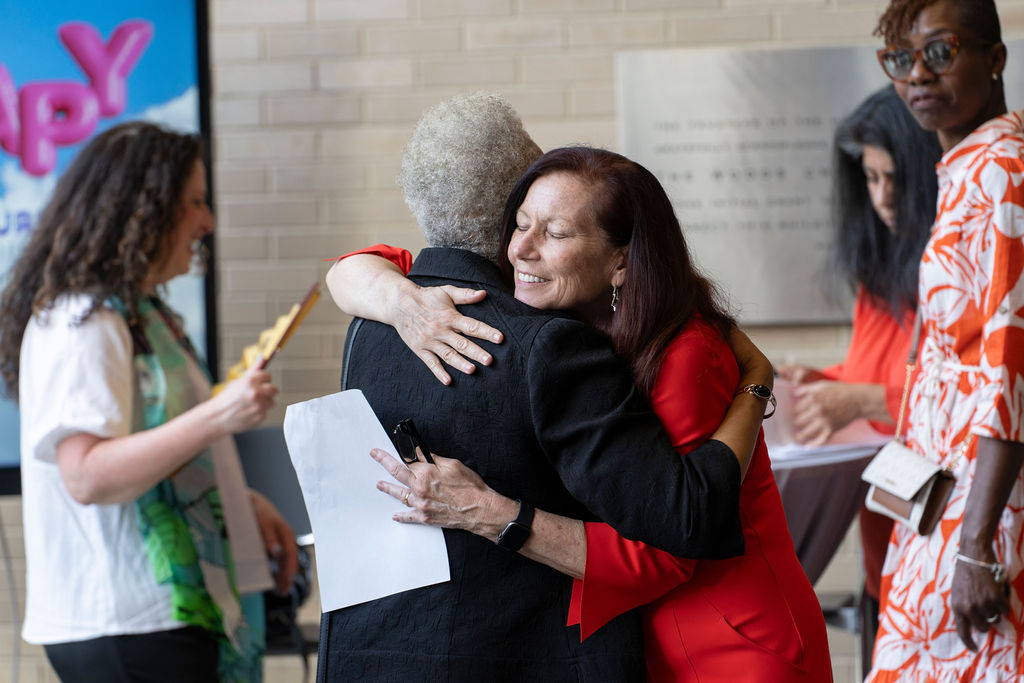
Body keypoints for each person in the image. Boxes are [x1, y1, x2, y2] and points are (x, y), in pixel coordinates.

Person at [318, 93, 774, 681]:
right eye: (526, 221)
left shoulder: (370, 324)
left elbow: (350, 266)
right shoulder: (548, 344)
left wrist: (393, 295)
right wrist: (757, 383)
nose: (526, 245)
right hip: (518, 656)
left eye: (554, 229)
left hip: (374, 654)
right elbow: (684, 515)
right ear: (513, 204)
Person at [0, 122, 298, 683]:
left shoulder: (139, 314)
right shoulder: (84, 321)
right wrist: (218, 414)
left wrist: (238, 500)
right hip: (129, 626)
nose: (207, 222)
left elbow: (154, 452)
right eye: (194, 203)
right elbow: (87, 476)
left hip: (155, 622)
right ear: (143, 208)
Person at [864, 0, 1024, 680]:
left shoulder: (1003, 172)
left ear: (995, 58)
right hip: (942, 492)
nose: (917, 75)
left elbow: (1010, 368)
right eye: (901, 59)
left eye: (941, 50)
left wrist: (977, 547)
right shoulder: (964, 168)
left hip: (983, 506)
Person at [776, 84, 942, 669]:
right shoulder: (881, 273)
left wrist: (862, 397)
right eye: (870, 179)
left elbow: (977, 394)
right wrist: (819, 380)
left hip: (950, 545)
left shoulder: (958, 265)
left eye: (894, 177)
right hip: (888, 541)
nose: (883, 197)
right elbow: (878, 367)